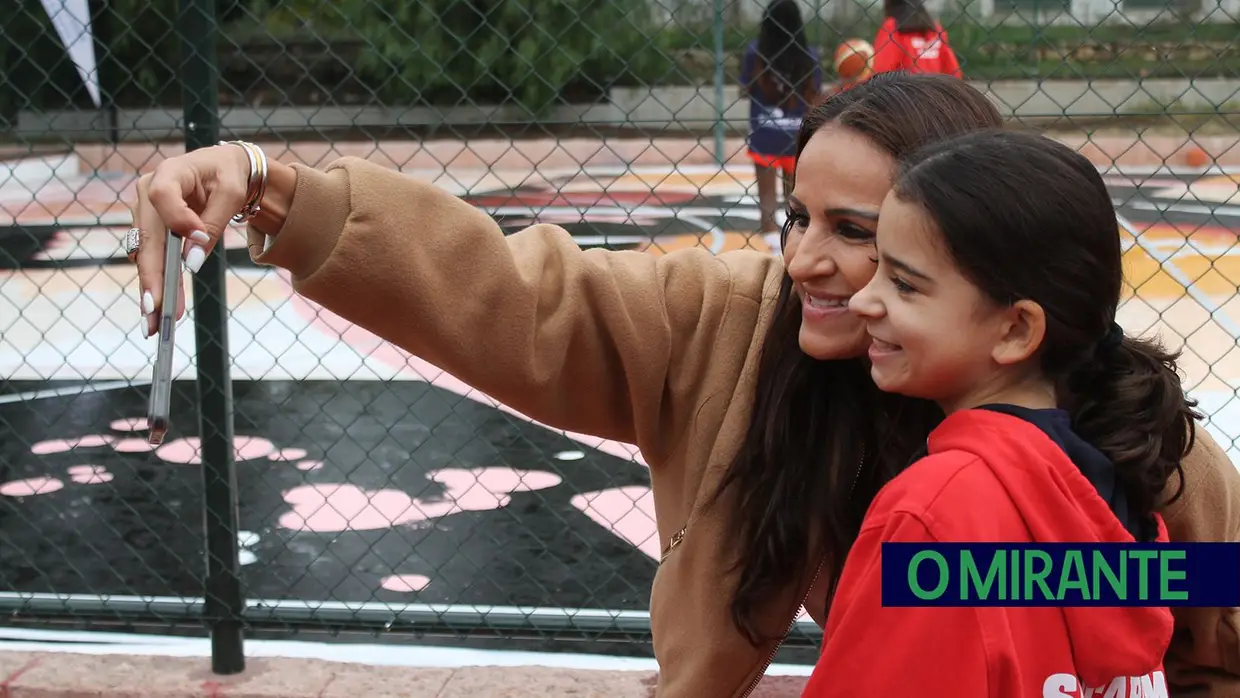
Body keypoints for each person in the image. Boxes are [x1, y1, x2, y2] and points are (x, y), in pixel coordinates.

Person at [125, 73, 1240, 697]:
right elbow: (514, 297)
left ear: (994, 292)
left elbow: (1208, 623)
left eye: (864, 239)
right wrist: (271, 186)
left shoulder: (1116, 430)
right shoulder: (733, 334)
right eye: (797, 216)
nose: (800, 259)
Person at [802, 128, 1185, 697]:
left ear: (1016, 329)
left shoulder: (932, 516)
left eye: (905, 285)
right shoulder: (1112, 484)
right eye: (879, 266)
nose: (864, 300)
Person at [740, 0, 823, 252]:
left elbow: (744, 90)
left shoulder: (756, 53)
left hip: (764, 134)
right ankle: (792, 242)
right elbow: (814, 96)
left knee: (766, 199)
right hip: (796, 135)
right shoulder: (809, 54)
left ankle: (768, 237)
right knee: (795, 197)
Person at [871, 0, 962, 78]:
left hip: (905, 94)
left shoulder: (892, 27)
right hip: (935, 92)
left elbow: (881, 69)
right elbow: (954, 72)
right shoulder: (935, 29)